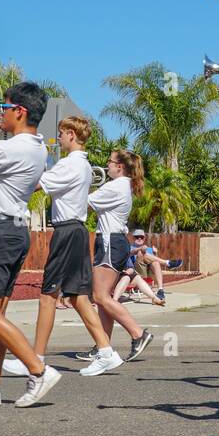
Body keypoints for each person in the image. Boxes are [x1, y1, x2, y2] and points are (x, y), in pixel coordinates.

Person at [0, 81, 62, 408]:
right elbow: (32, 184)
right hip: (17, 232)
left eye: (4, 108)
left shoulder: (9, 148)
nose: (0, 114)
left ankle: (37, 369)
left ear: (19, 112)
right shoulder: (38, 148)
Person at [10, 115, 117, 377]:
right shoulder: (82, 165)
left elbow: (36, 186)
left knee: (48, 295)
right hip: (77, 231)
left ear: (71, 134)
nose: (58, 138)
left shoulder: (68, 165)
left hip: (67, 231)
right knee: (77, 296)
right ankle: (106, 352)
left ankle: (35, 358)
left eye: (60, 133)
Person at [86, 152, 155, 363]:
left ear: (120, 167)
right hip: (112, 241)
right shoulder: (121, 185)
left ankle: (137, 334)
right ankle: (102, 345)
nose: (107, 164)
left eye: (110, 161)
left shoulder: (115, 186)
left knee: (100, 297)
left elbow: (85, 203)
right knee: (103, 296)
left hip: (109, 242)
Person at [126, 229, 183, 303]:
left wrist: (155, 254)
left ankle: (160, 289)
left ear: (144, 238)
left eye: (141, 237)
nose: (139, 238)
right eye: (137, 237)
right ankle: (167, 263)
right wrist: (140, 249)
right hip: (137, 274)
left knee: (155, 262)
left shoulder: (149, 249)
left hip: (148, 274)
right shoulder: (129, 247)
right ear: (133, 238)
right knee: (140, 253)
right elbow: (131, 252)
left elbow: (155, 264)